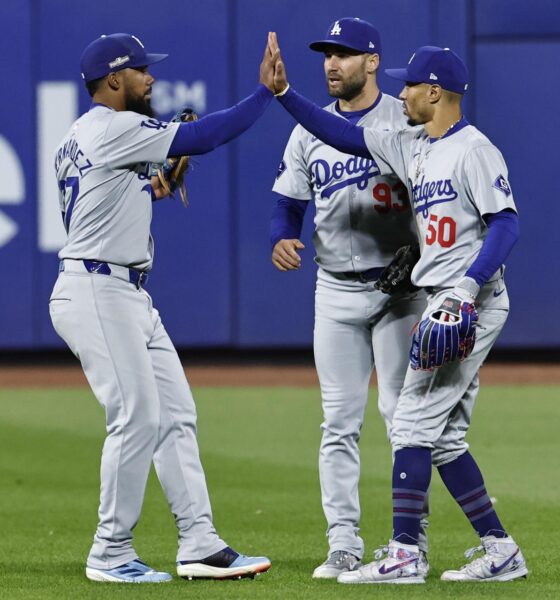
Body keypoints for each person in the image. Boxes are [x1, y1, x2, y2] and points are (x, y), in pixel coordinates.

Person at [268, 34, 527, 584]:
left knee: (409, 421)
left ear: (434, 93)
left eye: (410, 85)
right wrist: (286, 93)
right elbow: (342, 133)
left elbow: (506, 223)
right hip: (442, 299)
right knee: (444, 437)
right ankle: (500, 549)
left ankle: (405, 552)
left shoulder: (473, 148)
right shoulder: (415, 145)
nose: (401, 93)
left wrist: (465, 287)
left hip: (468, 301)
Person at [49, 32, 277, 584]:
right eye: (141, 71)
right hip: (97, 289)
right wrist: (264, 95)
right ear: (113, 80)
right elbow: (205, 135)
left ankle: (200, 543)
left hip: (123, 291)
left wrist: (156, 185)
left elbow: (116, 195)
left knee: (175, 416)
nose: (150, 78)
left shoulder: (83, 136)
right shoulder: (114, 126)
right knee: (136, 417)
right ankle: (110, 551)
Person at [269, 18, 429, 579]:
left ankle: (408, 541)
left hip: (400, 293)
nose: (331, 64)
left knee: (400, 416)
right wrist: (281, 236)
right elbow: (288, 203)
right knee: (338, 422)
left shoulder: (404, 120)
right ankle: (343, 541)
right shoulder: (306, 131)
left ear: (373, 61)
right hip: (334, 289)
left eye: (344, 53)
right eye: (327, 54)